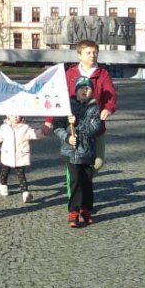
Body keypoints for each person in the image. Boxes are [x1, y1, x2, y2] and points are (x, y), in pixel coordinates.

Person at [43, 39, 117, 170]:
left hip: (94, 125)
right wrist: (49, 120)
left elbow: (111, 96)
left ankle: (83, 178)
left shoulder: (103, 74)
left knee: (97, 162)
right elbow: (58, 97)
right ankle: (76, 180)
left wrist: (108, 109)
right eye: (88, 53)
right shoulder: (70, 73)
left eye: (95, 52)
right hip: (73, 125)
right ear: (79, 55)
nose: (93, 55)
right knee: (75, 161)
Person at [52, 77, 103, 228]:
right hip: (71, 152)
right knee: (75, 181)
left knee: (87, 181)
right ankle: (73, 211)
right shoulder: (66, 106)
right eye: (81, 88)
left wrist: (78, 123)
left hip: (87, 151)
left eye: (88, 88)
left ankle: (86, 209)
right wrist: (67, 137)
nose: (84, 91)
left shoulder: (94, 108)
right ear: (76, 90)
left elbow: (95, 128)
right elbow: (57, 127)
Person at [0, 114, 40, 203]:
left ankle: (25, 193)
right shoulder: (4, 127)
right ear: (8, 117)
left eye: (18, 115)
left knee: (21, 174)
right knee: (5, 172)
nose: (15, 117)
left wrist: (42, 132)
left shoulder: (25, 127)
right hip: (8, 155)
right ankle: (3, 184)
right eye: (12, 115)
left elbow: (34, 134)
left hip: (20, 155)